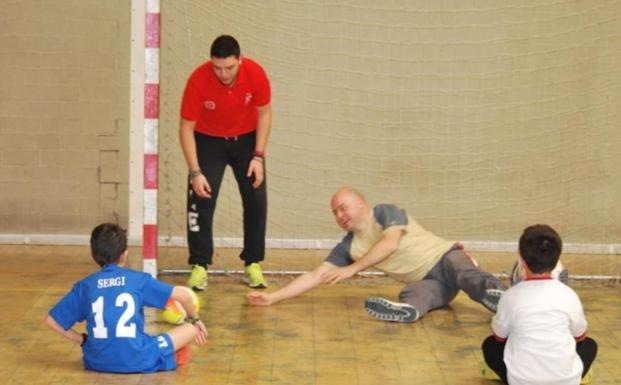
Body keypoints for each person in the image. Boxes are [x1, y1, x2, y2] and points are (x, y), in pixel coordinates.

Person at [247, 186, 507, 323]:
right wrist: (272, 298)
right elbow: (317, 275)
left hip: (444, 257)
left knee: (464, 272)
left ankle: (503, 301)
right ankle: (408, 311)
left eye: (342, 208)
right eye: (335, 213)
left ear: (361, 203)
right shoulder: (348, 246)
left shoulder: (384, 212)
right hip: (428, 281)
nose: (339, 216)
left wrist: (352, 269)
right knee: (414, 295)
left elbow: (390, 244)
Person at [44, 223, 208, 373]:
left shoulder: (85, 286)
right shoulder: (138, 280)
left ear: (94, 255)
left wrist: (82, 340)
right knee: (190, 330)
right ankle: (168, 356)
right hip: (138, 358)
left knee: (135, 342)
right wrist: (195, 320)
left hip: (96, 362)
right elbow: (184, 296)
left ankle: (166, 355)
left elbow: (52, 321)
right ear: (125, 254)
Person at [180, 34, 271, 291]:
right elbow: (186, 128)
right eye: (217, 67)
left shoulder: (255, 74)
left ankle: (253, 262)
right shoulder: (198, 79)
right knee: (200, 199)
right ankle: (199, 264)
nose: (223, 74)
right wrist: (195, 171)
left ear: (240, 60)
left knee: (256, 199)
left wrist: (259, 155)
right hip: (208, 141)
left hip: (246, 141)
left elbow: (264, 113)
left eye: (229, 67)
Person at [481, 224, 597, 385]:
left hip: (521, 380)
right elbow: (580, 335)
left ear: (521, 261)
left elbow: (499, 336)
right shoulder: (569, 295)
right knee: (590, 345)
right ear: (557, 261)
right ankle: (579, 375)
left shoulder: (510, 297)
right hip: (567, 381)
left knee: (490, 345)